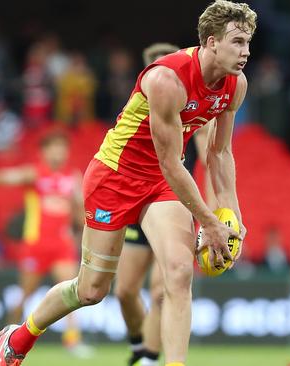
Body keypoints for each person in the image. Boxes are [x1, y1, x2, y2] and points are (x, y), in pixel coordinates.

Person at [0, 2, 255, 365]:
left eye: (248, 43)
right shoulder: (167, 80)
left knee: (178, 272)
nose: (246, 52)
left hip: (162, 183)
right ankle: (18, 337)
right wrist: (209, 222)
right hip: (114, 178)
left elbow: (220, 154)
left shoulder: (235, 84)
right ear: (211, 42)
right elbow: (170, 162)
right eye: (237, 42)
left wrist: (233, 218)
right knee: (90, 290)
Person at [115, 42, 217, 366]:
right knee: (125, 291)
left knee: (164, 287)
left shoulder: (197, 109)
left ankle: (149, 356)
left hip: (173, 202)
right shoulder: (143, 104)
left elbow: (213, 159)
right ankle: (138, 345)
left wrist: (212, 216)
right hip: (138, 199)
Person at [0, 130, 91, 357]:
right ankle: (8, 336)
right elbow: (11, 176)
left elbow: (78, 209)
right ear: (44, 151)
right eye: (54, 147)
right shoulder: (35, 173)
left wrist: (86, 227)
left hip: (61, 244)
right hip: (36, 244)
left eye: (62, 147)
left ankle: (72, 340)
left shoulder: (72, 176)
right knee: (25, 295)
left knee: (72, 290)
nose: (59, 152)